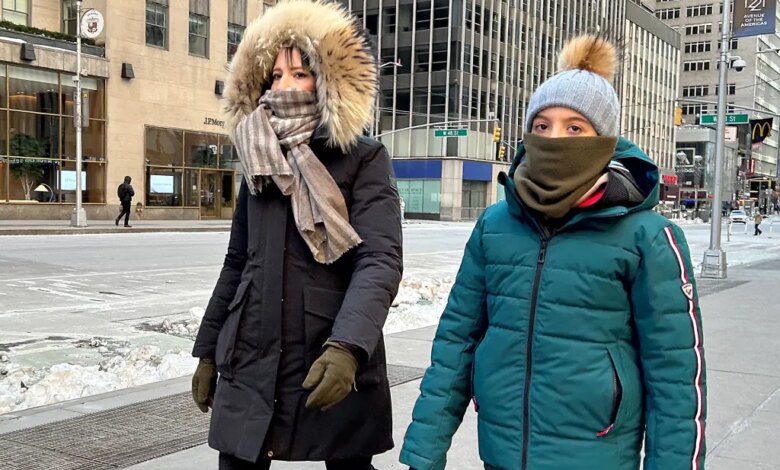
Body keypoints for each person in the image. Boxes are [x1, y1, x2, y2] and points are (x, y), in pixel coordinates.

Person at [401, 35, 706, 470]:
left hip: (596, 455)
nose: (555, 138)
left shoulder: (649, 237)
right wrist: (425, 452)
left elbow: (678, 379)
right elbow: (455, 343)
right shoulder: (495, 225)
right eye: (542, 126)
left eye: (574, 128)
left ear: (603, 139)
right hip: (501, 453)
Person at [191, 1, 403, 469]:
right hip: (251, 354)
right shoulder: (257, 153)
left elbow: (379, 261)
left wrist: (348, 347)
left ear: (329, 79)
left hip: (328, 351)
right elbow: (237, 262)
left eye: (301, 73)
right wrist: (207, 349)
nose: (284, 86)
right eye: (276, 75)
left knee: (347, 461)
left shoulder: (363, 157)